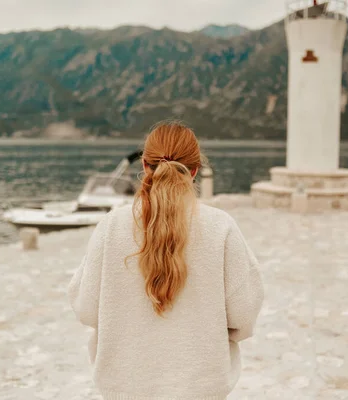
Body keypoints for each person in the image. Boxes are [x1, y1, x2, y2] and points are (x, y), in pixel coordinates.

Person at [68, 121, 264, 400]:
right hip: (200, 386)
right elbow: (243, 315)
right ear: (195, 171)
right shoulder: (222, 228)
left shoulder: (111, 227)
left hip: (125, 385)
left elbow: (86, 309)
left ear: (145, 166)